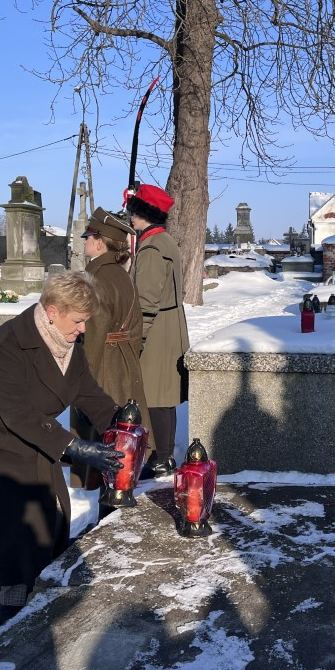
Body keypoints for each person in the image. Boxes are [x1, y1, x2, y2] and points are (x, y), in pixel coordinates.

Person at [0, 270, 124, 627]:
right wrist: (74, 447)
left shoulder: (67, 344)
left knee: (50, 511)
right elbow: (17, 412)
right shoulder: (6, 343)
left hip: (32, 434)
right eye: (78, 321)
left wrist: (120, 424)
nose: (83, 329)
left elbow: (87, 391)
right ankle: (10, 605)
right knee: (14, 523)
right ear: (53, 310)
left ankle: (31, 590)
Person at [71, 206, 152, 490]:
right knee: (123, 442)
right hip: (125, 363)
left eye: (88, 237)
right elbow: (137, 328)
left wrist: (83, 384)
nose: (84, 242)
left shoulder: (95, 279)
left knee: (106, 447)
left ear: (100, 241)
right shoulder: (122, 276)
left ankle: (107, 511)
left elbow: (92, 333)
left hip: (102, 367)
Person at [126, 184, 190, 476]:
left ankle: (162, 457)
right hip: (170, 324)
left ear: (142, 214)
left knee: (155, 397)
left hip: (157, 328)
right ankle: (164, 454)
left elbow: (146, 300)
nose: (130, 218)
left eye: (134, 213)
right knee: (163, 395)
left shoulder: (151, 248)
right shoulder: (164, 241)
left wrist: (137, 339)